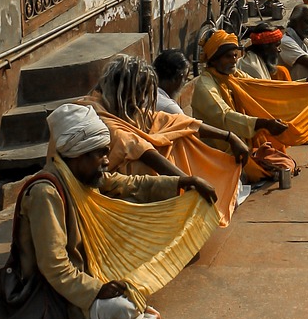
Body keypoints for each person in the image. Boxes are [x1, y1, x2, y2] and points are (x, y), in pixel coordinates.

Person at [0, 103, 218, 319]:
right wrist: (96, 290)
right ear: (78, 156)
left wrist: (185, 181)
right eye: (100, 154)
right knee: (125, 310)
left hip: (85, 269)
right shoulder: (46, 193)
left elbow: (132, 186)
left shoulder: (81, 176)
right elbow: (55, 267)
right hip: (51, 291)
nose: (107, 161)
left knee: (137, 214)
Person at [86, 55, 247, 225]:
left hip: (129, 182)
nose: (142, 101)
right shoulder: (97, 114)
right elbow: (138, 148)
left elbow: (173, 122)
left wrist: (229, 137)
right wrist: (188, 181)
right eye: (140, 93)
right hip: (104, 188)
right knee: (146, 163)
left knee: (178, 137)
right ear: (123, 90)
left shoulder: (125, 108)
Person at [193, 30, 308, 166]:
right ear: (213, 60)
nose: (234, 60)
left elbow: (265, 88)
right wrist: (264, 124)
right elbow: (226, 117)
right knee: (267, 168)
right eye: (228, 57)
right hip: (220, 151)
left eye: (235, 55)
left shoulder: (233, 75)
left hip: (244, 142)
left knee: (283, 163)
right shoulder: (206, 86)